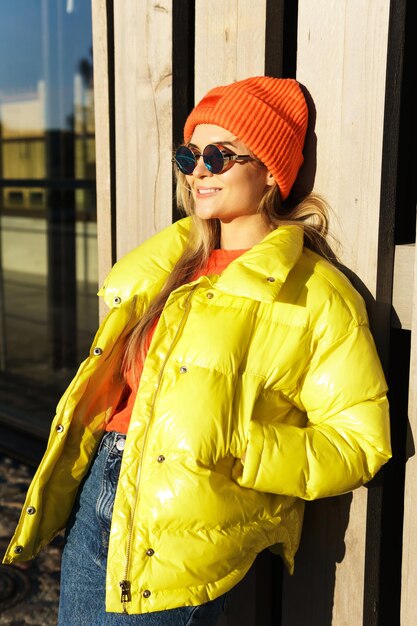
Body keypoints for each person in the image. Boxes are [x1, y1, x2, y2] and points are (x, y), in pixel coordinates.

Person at [3, 76, 391, 625]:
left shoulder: (316, 294)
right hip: (102, 496)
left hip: (184, 532)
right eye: (189, 154)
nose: (199, 169)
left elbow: (358, 441)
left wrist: (245, 447)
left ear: (271, 171)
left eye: (219, 154)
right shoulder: (168, 265)